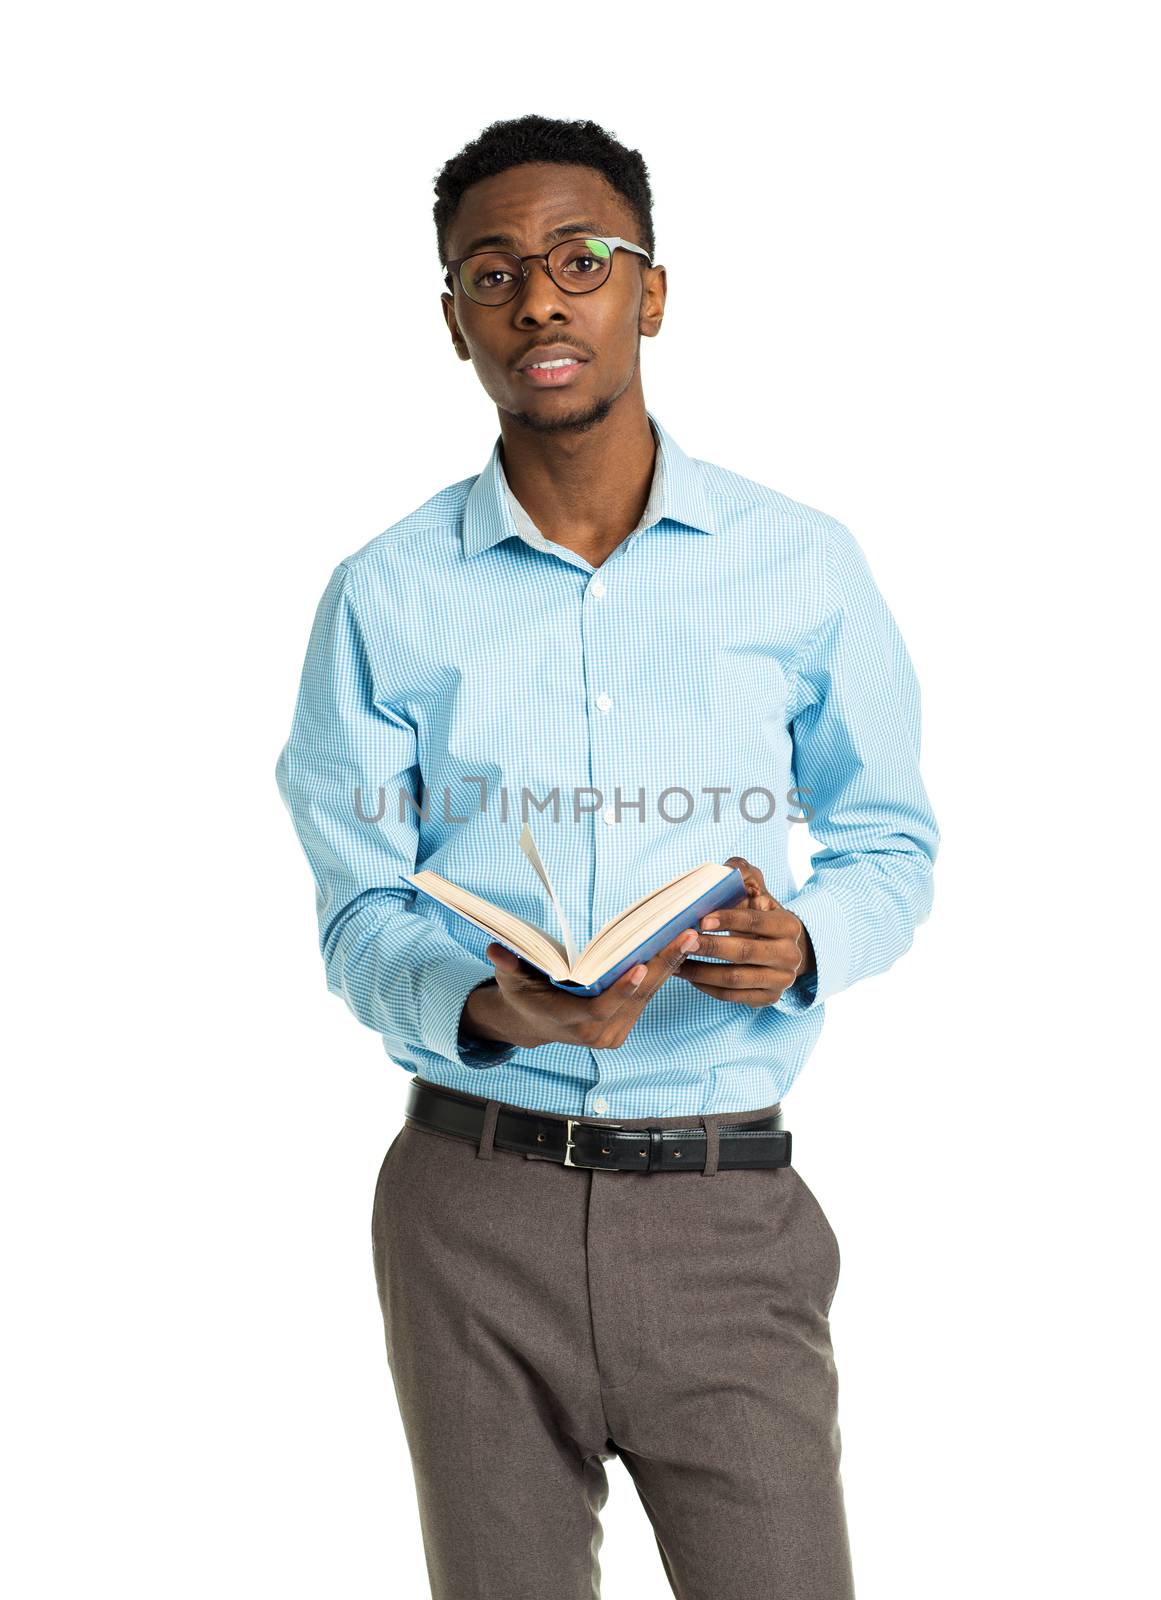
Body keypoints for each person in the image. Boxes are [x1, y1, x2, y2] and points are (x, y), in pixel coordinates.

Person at [275, 113, 939, 1600]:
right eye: (492, 273)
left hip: (724, 1209)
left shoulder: (799, 562)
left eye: (581, 260)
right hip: (471, 1209)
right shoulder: (383, 596)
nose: (538, 302)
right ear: (455, 323)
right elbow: (360, 911)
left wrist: (809, 941)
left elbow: (887, 838)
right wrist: (489, 1002)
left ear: (650, 291)